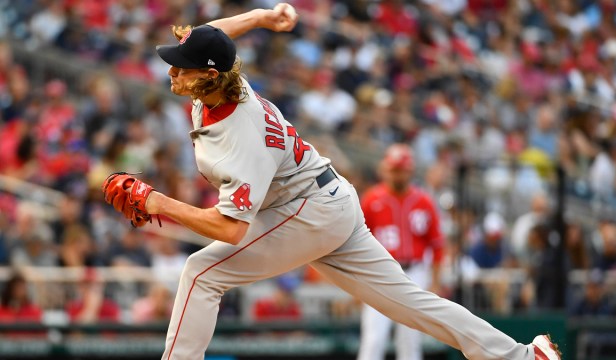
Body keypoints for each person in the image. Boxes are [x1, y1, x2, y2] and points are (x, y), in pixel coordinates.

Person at [102, 4, 560, 359]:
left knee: (200, 272)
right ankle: (521, 356)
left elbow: (230, 228)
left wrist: (158, 203)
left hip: (308, 211)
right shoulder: (223, 82)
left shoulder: (242, 135)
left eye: (181, 67)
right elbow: (213, 36)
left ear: (209, 75)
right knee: (409, 302)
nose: (171, 71)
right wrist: (262, 16)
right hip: (328, 201)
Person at [357, 144, 444, 360]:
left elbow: (437, 245)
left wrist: (435, 281)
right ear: (385, 169)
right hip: (380, 273)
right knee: (374, 338)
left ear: (410, 170)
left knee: (410, 340)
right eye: (394, 169)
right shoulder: (371, 199)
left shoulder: (423, 201)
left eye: (401, 169)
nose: (398, 174)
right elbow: (356, 242)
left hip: (414, 272)